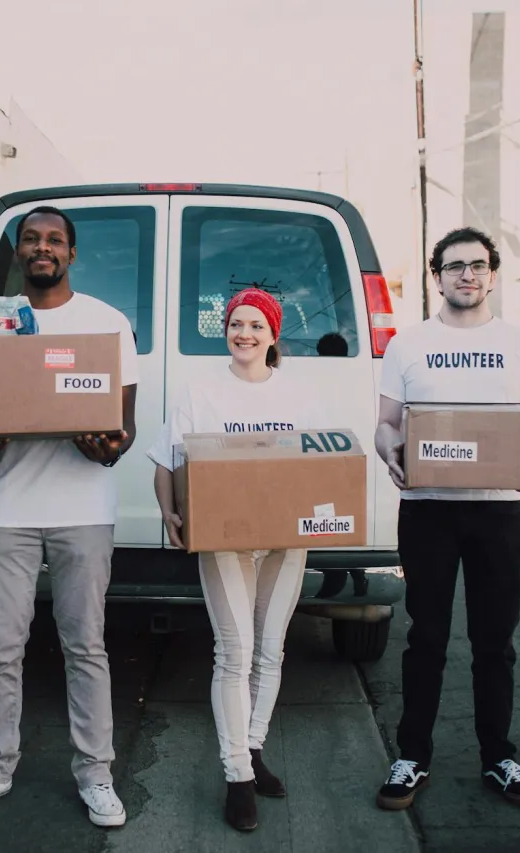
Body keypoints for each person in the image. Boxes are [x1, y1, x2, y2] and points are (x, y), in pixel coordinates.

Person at [0, 206, 138, 827]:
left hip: (82, 510)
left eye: (54, 239)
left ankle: (96, 775)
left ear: (72, 253)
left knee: (86, 646)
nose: (42, 247)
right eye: (30, 238)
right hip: (6, 508)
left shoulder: (106, 325)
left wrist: (106, 444)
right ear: (19, 252)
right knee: (0, 649)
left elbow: (123, 427)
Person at [372, 227, 520, 811]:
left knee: (494, 642)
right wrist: (391, 453)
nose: (467, 275)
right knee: (425, 637)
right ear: (437, 276)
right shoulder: (408, 345)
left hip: (498, 511)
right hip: (428, 513)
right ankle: (412, 757)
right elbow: (386, 424)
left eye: (478, 266)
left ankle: (497, 756)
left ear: (493, 274)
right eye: (455, 266)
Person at [147, 288, 325, 833]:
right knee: (235, 651)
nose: (243, 332)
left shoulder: (298, 395)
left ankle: (252, 750)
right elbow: (166, 460)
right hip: (223, 539)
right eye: (235, 323)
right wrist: (170, 512)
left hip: (284, 542)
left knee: (270, 650)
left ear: (273, 335)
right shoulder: (202, 392)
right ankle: (237, 777)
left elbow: (321, 466)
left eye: (255, 324)